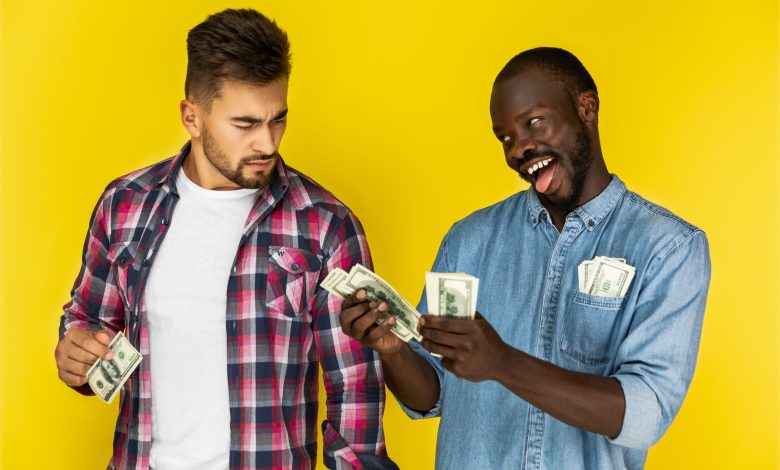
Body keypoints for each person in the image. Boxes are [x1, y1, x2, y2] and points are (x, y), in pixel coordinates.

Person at [55, 9, 395, 470]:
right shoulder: (124, 205)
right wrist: (75, 350)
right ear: (191, 117)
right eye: (246, 124)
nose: (268, 143)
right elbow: (88, 323)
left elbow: (355, 386)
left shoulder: (324, 224)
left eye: (278, 120)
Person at [340, 47, 711, 469]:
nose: (519, 148)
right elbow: (432, 394)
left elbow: (646, 414)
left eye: (534, 122)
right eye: (505, 137)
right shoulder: (469, 239)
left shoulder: (668, 247)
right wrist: (392, 350)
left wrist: (502, 363)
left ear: (586, 107)